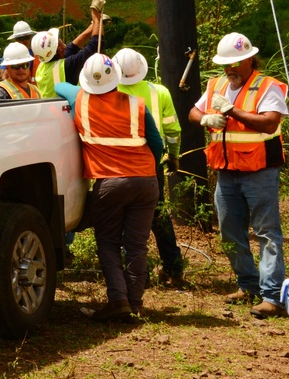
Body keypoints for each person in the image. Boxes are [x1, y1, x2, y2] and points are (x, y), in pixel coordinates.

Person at [188, 32, 288, 319]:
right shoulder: (217, 83)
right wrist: (204, 117)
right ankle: (248, 285)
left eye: (234, 64)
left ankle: (271, 297)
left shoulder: (267, 86)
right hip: (226, 172)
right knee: (230, 231)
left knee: (267, 233)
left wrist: (233, 110)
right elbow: (194, 111)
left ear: (248, 59)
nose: (229, 70)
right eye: (225, 65)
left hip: (260, 172)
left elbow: (269, 123)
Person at [56, 53, 162, 322]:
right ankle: (135, 303)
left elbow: (59, 86)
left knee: (109, 242)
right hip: (145, 181)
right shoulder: (137, 105)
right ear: (117, 79)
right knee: (137, 245)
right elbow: (157, 143)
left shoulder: (79, 100)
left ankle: (118, 300)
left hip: (110, 184)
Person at [113, 48, 185, 287]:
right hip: (151, 165)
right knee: (159, 217)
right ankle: (173, 269)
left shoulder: (108, 92)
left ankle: (136, 276)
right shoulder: (159, 92)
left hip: (118, 166)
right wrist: (173, 157)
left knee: (125, 222)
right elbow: (173, 131)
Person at [32, 0, 107, 98]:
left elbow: (72, 48)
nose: (63, 43)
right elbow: (96, 45)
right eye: (59, 40)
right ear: (58, 48)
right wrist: (96, 15)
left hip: (52, 111)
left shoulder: (43, 66)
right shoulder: (67, 66)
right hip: (67, 112)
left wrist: (94, 26)